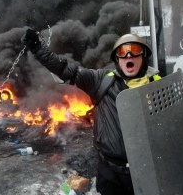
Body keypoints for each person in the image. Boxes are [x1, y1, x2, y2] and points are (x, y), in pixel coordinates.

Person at [21, 29, 160, 195]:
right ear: (117, 58)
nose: (129, 56)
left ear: (144, 56)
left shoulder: (158, 86)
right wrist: (38, 48)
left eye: (135, 50)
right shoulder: (102, 80)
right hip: (111, 173)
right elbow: (65, 69)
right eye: (123, 52)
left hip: (147, 171)